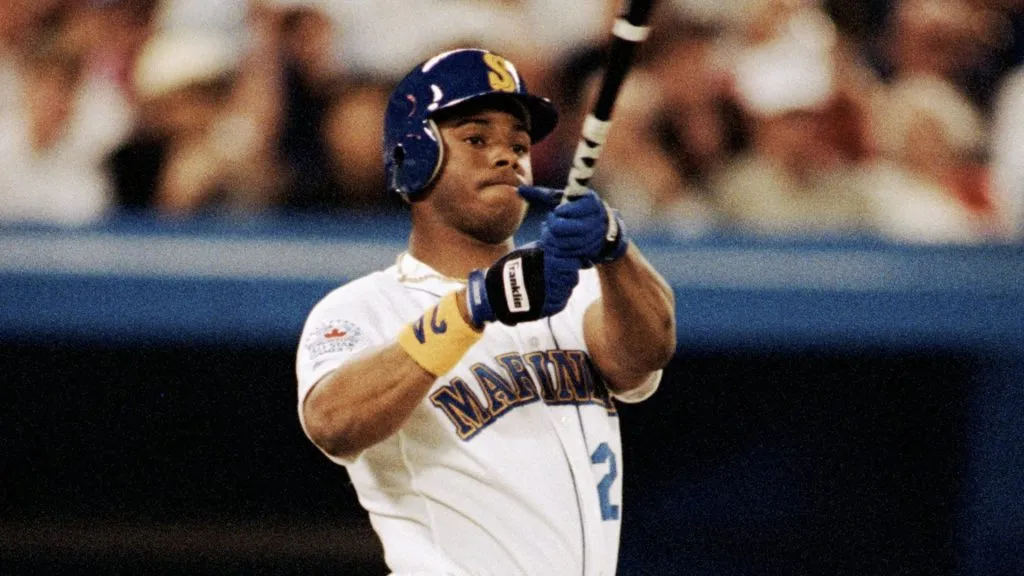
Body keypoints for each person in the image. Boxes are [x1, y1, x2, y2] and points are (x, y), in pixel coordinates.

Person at [295, 48, 676, 575]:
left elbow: (646, 354)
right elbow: (333, 422)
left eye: (518, 145)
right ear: (415, 153)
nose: (506, 157)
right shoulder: (363, 307)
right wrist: (473, 305)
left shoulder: (574, 288)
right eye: (477, 139)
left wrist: (616, 249)